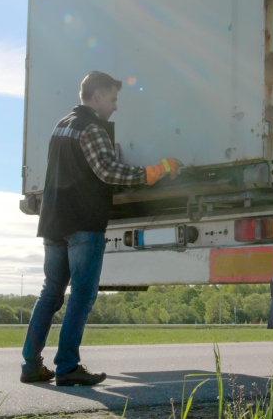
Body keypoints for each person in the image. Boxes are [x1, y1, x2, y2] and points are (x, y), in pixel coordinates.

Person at [20, 71, 180, 387]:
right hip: (82, 223)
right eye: (113, 98)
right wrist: (155, 171)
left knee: (51, 293)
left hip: (53, 222)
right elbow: (107, 170)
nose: (115, 107)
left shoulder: (61, 125)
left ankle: (30, 365)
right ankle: (67, 366)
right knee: (81, 293)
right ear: (96, 96)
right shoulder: (91, 128)